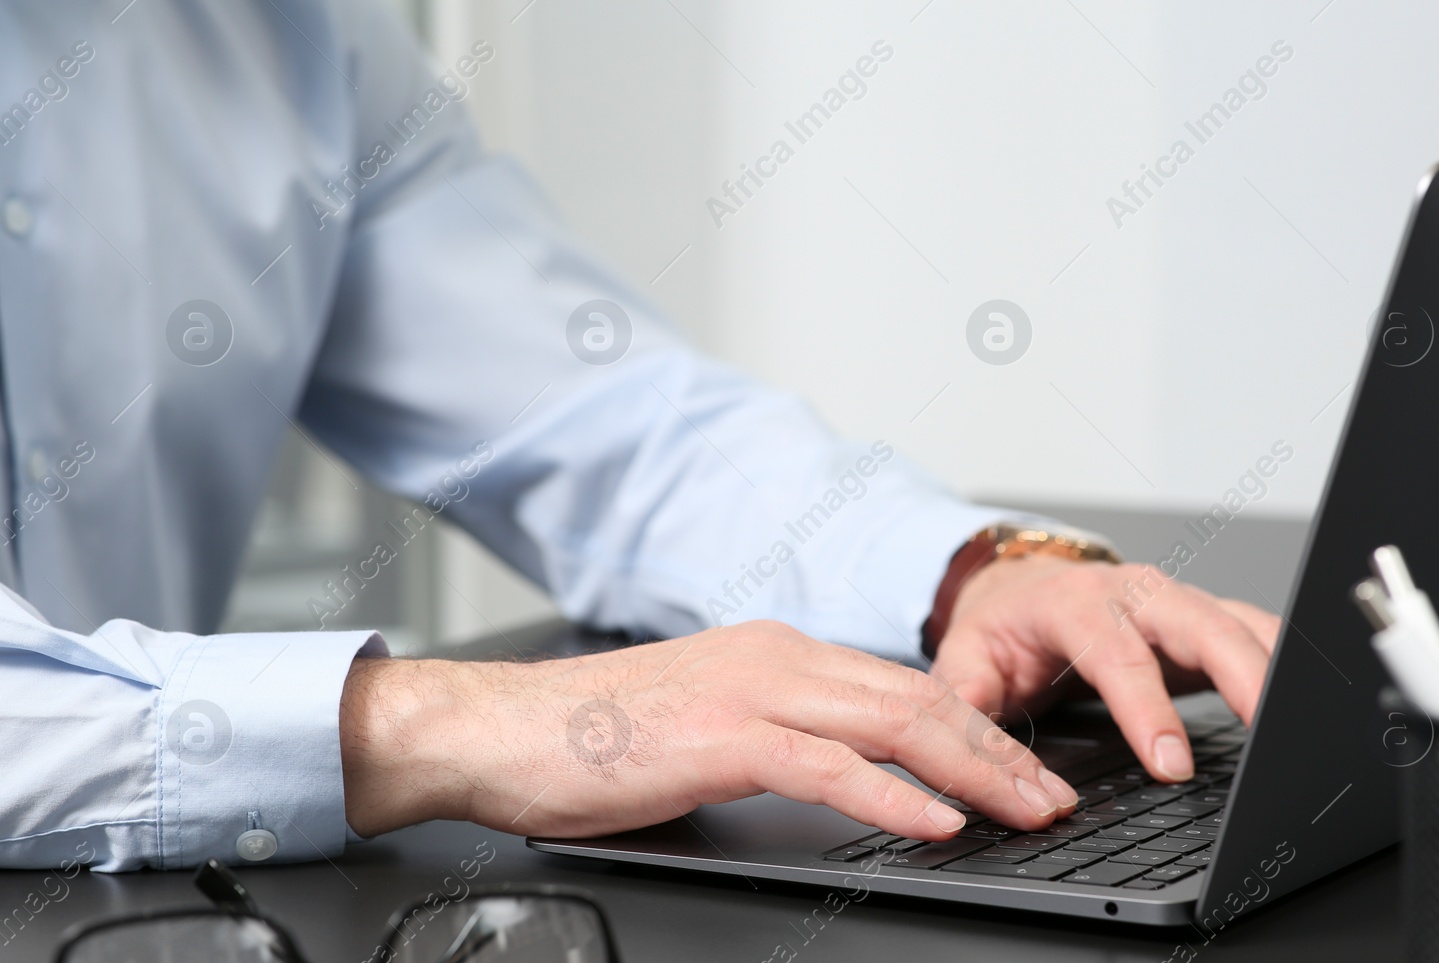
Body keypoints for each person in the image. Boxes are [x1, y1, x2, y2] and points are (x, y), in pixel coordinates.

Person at [0, 2, 1278, 871]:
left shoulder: (277, 36)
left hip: (145, 937)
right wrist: (424, 722)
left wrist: (964, 573)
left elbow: (590, 413)